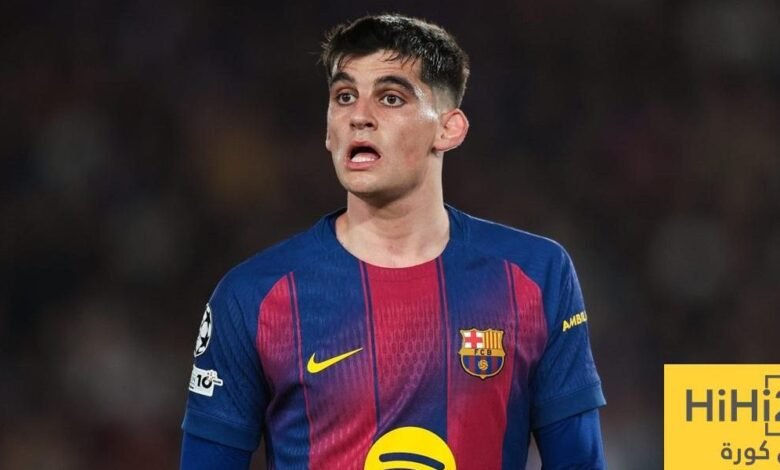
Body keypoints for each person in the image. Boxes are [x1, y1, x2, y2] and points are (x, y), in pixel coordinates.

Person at [181, 13, 606, 469]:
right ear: (328, 131)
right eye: (344, 97)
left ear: (449, 129)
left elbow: (579, 463)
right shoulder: (253, 296)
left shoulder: (536, 275)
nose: (359, 116)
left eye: (390, 98)